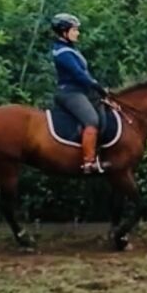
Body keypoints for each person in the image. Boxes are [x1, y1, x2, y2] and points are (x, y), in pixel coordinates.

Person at [51, 13, 108, 174]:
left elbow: (85, 74)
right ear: (64, 32)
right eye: (74, 30)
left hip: (82, 91)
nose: (78, 33)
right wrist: (95, 85)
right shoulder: (62, 52)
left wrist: (99, 89)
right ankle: (88, 162)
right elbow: (78, 74)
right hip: (70, 92)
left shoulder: (70, 49)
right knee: (91, 120)